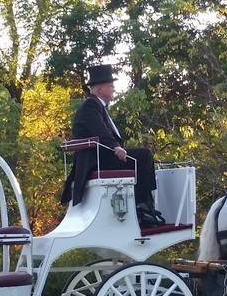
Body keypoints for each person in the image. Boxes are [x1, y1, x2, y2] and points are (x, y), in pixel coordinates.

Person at [60, 63, 165, 226]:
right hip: (96, 161)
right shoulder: (91, 105)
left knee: (142, 157)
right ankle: (142, 206)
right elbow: (100, 130)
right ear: (100, 89)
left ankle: (143, 204)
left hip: (101, 157)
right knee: (144, 156)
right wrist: (116, 146)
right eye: (111, 86)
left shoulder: (98, 106)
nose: (114, 89)